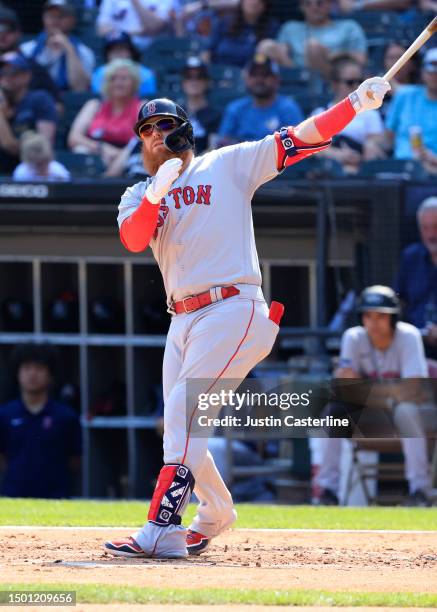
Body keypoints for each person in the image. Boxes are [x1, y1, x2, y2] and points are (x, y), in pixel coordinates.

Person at [103, 65, 390, 558]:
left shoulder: (226, 164)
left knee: (181, 412)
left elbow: (298, 139)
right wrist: (156, 191)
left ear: (184, 128)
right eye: (146, 130)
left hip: (232, 307)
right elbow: (132, 239)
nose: (154, 135)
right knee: (181, 423)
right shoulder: (137, 195)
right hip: (183, 318)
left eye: (164, 124)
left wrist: (355, 105)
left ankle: (162, 529)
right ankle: (215, 513)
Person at [313, 286, 433, 507]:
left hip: (410, 414)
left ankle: (420, 491)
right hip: (372, 415)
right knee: (334, 412)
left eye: (381, 316)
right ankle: (327, 490)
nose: (374, 322)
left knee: (407, 410)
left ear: (393, 318)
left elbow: (413, 390)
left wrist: (365, 386)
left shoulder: (408, 336)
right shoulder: (354, 337)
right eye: (368, 315)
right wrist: (389, 393)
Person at [0, 343, 81, 498]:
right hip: (13, 496)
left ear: (50, 374)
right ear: (17, 373)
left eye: (39, 368)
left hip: (56, 497)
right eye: (27, 368)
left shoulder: (65, 416)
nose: (32, 374)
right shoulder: (5, 414)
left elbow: (75, 460)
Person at [311, 55, 385, 173]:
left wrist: (370, 146)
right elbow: (312, 147)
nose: (356, 87)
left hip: (361, 171)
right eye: (350, 82)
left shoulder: (371, 114)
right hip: (330, 173)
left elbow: (377, 142)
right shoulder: (320, 113)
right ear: (335, 84)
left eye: (360, 82)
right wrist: (338, 154)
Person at [256, 0, 367, 78]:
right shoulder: (291, 27)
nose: (314, 7)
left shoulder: (348, 27)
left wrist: (335, 55)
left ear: (329, 4)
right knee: (265, 46)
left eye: (319, 2)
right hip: (294, 71)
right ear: (301, 7)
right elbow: (281, 51)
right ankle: (256, 75)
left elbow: (361, 59)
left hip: (330, 77)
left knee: (313, 47)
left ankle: (316, 88)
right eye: (308, 3)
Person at [68, 59, 143, 168]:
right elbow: (74, 137)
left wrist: (120, 155)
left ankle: (109, 178)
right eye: (113, 79)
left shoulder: (141, 106)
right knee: (80, 150)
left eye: (124, 78)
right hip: (97, 152)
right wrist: (101, 148)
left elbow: (143, 140)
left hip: (127, 155)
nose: (118, 83)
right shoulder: (94, 105)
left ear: (134, 83)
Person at [218, 55, 304, 146]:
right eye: (254, 75)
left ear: (276, 79)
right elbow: (223, 143)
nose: (259, 79)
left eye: (265, 75)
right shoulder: (236, 108)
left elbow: (296, 145)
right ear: (246, 79)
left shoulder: (288, 108)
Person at [0, 53, 57, 175]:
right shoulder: (4, 102)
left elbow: (42, 150)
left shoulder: (39, 99)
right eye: (2, 72)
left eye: (12, 72)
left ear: (27, 76)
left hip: (32, 172)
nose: (5, 77)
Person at [20, 0, 95, 93]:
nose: (55, 20)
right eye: (51, 16)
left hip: (68, 102)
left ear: (73, 20)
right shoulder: (26, 49)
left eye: (61, 16)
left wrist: (69, 48)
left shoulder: (84, 52)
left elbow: (80, 88)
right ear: (43, 18)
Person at [394, 197, 437, 358]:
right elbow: (398, 299)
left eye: (436, 227)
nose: (431, 234)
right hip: (414, 345)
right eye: (426, 228)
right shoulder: (410, 257)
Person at [385, 48, 437, 161]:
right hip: (402, 167)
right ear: (423, 71)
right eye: (431, 69)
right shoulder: (404, 95)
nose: (435, 75)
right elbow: (388, 137)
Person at [0, 6, 59, 101]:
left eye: (8, 30)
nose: (2, 35)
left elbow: (58, 106)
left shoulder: (35, 69)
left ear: (18, 33)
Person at [207, 0, 280, 67]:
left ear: (265, 6)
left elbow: (265, 58)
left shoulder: (270, 27)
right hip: (219, 73)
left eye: (260, 1)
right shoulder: (225, 22)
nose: (254, 2)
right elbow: (207, 52)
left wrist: (256, 66)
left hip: (251, 76)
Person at [91, 31, 157, 99]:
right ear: (107, 54)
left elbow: (148, 100)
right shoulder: (99, 73)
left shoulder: (145, 74)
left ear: (131, 52)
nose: (117, 53)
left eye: (121, 49)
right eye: (113, 50)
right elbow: (100, 98)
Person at [96, 0, 178, 51]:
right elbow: (101, 30)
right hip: (118, 48)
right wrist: (138, 32)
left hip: (153, 50)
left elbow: (155, 27)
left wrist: (135, 1)